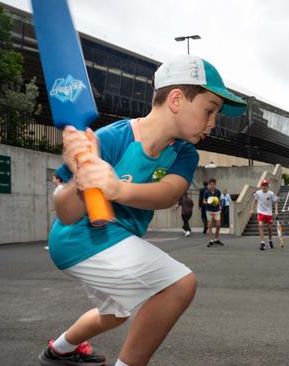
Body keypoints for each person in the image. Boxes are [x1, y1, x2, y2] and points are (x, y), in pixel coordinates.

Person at [41, 55, 246, 366]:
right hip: (78, 237)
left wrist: (117, 189)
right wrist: (80, 182)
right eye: (209, 110)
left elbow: (168, 194)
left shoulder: (184, 153)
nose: (212, 123)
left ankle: (60, 349)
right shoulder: (112, 138)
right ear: (176, 99)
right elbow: (67, 213)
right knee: (179, 285)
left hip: (114, 236)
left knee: (114, 315)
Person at [251, 179, 279, 250]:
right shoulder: (258, 193)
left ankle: (270, 240)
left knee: (269, 228)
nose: (264, 187)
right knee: (260, 225)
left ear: (268, 186)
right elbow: (254, 200)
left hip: (269, 212)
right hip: (260, 211)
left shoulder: (271, 194)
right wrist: (252, 209)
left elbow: (275, 201)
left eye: (266, 185)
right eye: (263, 185)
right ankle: (262, 243)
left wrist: (276, 210)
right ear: (261, 186)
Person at [45, 175, 64, 250]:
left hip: (60, 212)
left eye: (54, 178)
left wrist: (58, 210)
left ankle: (53, 245)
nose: (52, 179)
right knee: (56, 227)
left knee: (55, 228)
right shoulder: (59, 187)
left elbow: (61, 200)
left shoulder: (60, 188)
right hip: (59, 211)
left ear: (58, 179)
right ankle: (55, 245)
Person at [204, 178, 223, 247]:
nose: (212, 185)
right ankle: (210, 240)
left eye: (213, 184)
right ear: (209, 185)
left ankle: (216, 239)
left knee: (218, 224)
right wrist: (208, 202)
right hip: (209, 210)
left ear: (215, 184)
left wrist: (220, 207)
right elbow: (203, 201)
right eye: (211, 184)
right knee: (210, 225)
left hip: (217, 210)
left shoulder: (218, 191)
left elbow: (220, 200)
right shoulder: (206, 192)